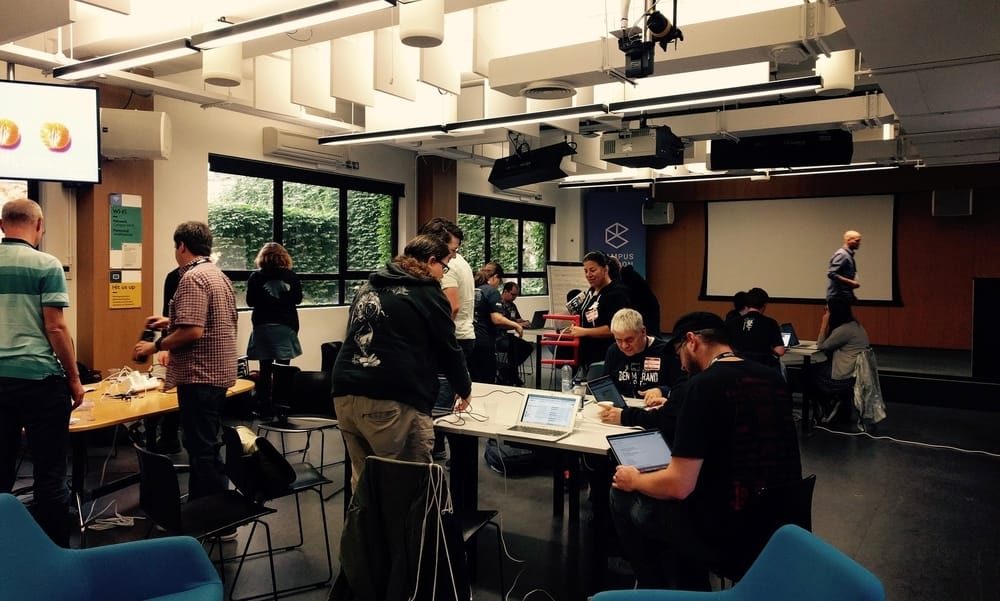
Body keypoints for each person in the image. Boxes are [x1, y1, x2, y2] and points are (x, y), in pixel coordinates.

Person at [609, 311, 801, 591]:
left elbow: (679, 486)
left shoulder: (701, 386)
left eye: (678, 352)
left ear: (691, 341)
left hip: (726, 530)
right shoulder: (772, 378)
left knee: (622, 494)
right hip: (779, 523)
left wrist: (634, 479)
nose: (681, 364)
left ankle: (659, 590)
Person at [332, 235, 471, 490]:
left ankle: (368, 531)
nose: (443, 273)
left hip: (344, 392)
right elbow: (448, 347)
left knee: (365, 487)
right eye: (444, 265)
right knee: (407, 487)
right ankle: (405, 532)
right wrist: (464, 388)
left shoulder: (369, 286)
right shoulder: (426, 292)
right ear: (431, 261)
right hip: (392, 396)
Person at [0, 198, 84, 547]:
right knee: (49, 473)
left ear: (2, 225)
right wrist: (75, 378)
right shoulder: (45, 264)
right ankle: (54, 553)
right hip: (39, 381)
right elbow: (56, 328)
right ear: (39, 225)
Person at [134, 221, 238, 500]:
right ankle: (208, 506)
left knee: (201, 449)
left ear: (181, 246)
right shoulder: (217, 275)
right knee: (208, 444)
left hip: (199, 376)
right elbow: (212, 321)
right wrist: (169, 321)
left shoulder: (191, 278)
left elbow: (194, 331)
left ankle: (212, 515)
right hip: (218, 373)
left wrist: (154, 346)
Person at [418, 218, 474, 459]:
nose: (454, 254)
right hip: (462, 335)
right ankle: (444, 449)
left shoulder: (446, 267)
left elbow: (451, 307)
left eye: (454, 250)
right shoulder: (458, 262)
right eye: (452, 249)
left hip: (453, 338)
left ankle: (439, 450)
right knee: (447, 399)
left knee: (442, 404)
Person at [597, 309, 685, 427]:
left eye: (630, 340)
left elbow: (681, 389)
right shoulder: (613, 351)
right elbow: (606, 385)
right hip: (621, 413)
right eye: (618, 340)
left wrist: (661, 390)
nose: (624, 346)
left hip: (653, 416)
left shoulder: (666, 351)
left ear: (643, 332)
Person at [245, 242, 303, 415]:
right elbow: (298, 299)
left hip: (263, 326)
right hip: (286, 326)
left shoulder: (255, 277)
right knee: (283, 368)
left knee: (265, 369)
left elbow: (250, 302)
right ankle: (282, 405)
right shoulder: (291, 276)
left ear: (262, 258)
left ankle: (264, 405)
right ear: (283, 257)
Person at [566, 251, 631, 371]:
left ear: (605, 269)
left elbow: (615, 329)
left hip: (605, 355)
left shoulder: (617, 293)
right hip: (586, 354)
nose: (588, 275)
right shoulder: (591, 291)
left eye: (592, 270)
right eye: (586, 271)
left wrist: (584, 331)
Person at [813, 298, 870, 422]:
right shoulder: (855, 326)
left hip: (843, 376)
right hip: (852, 372)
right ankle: (834, 403)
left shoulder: (844, 330)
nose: (825, 313)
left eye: (827, 310)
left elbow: (821, 346)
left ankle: (827, 407)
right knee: (818, 368)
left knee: (808, 374)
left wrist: (824, 324)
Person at [144, 267, 181, 454]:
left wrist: (162, 346)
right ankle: (169, 435)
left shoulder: (177, 276)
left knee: (172, 390)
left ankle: (169, 435)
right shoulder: (214, 275)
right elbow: (170, 312)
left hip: (180, 344)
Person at [470, 263, 523, 383]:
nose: (498, 284)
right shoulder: (492, 291)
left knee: (475, 379)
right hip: (485, 340)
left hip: (471, 338)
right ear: (495, 277)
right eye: (499, 281)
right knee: (487, 379)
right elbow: (496, 318)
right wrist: (516, 325)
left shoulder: (475, 289)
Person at [725, 287, 785, 371]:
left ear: (747, 305)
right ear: (764, 305)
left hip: (738, 369)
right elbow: (780, 351)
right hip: (763, 370)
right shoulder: (770, 323)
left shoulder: (733, 322)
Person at [496, 282, 533, 386]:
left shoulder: (512, 306)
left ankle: (508, 372)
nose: (514, 297)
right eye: (513, 295)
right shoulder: (498, 304)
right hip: (498, 337)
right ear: (505, 291)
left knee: (527, 347)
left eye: (516, 295)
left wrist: (526, 322)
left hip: (509, 337)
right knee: (515, 346)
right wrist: (517, 324)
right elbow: (502, 323)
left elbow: (518, 319)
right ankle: (511, 373)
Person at [619, 263, 661, 336]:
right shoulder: (629, 275)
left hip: (646, 310)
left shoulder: (629, 278)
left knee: (649, 336)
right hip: (647, 308)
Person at [827, 230, 862, 303]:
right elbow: (831, 273)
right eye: (857, 241)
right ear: (848, 240)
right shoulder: (842, 255)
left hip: (843, 297)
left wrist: (851, 295)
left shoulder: (848, 255)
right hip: (838, 298)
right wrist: (851, 282)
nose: (859, 243)